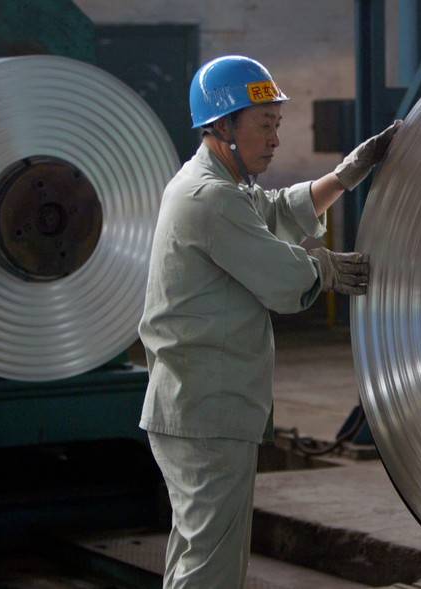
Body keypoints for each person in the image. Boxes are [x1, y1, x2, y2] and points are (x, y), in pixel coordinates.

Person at [137, 55, 400, 589]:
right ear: (222, 126)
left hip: (199, 407)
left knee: (197, 553)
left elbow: (273, 211)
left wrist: (343, 177)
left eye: (277, 124)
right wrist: (327, 269)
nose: (275, 139)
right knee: (211, 568)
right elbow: (282, 278)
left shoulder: (220, 185)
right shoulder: (209, 197)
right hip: (207, 412)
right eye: (264, 125)